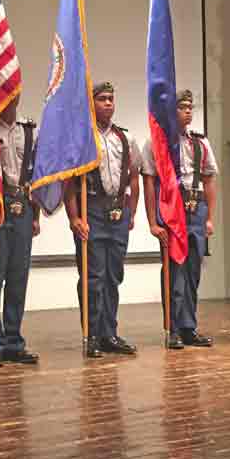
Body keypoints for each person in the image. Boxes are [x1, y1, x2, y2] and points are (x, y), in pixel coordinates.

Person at [65, 81, 142, 358]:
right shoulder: (82, 139)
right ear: (91, 103)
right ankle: (92, 335)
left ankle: (109, 333)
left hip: (117, 213)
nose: (108, 103)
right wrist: (74, 217)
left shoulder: (126, 138)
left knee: (113, 276)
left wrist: (131, 211)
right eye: (102, 99)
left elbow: (134, 176)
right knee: (93, 277)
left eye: (111, 98)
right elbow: (68, 182)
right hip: (93, 212)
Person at [141, 89, 217, 350]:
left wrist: (210, 218)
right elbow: (149, 183)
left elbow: (209, 179)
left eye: (189, 107)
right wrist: (153, 222)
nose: (187, 111)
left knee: (193, 272)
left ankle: (188, 327)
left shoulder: (200, 143)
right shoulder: (157, 142)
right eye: (181, 107)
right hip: (172, 210)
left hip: (196, 210)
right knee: (175, 272)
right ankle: (172, 328)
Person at [0, 94, 41, 367]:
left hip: (23, 206)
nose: (9, 99)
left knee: (18, 277)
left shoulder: (30, 130)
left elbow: (36, 175)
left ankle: (13, 341)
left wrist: (35, 216)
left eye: (14, 94)